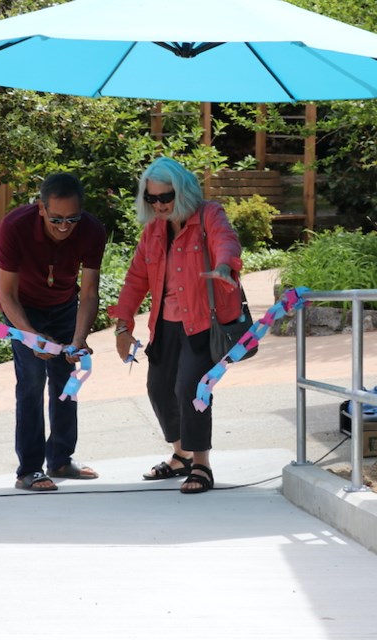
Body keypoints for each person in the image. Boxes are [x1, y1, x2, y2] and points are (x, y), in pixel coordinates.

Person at [109, 157, 244, 494]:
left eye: (165, 197)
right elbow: (136, 279)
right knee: (159, 387)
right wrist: (123, 326)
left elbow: (226, 241)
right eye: (151, 199)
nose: (159, 205)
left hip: (201, 323)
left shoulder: (208, 215)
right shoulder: (153, 231)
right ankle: (180, 454)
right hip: (165, 325)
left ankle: (201, 465)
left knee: (191, 389)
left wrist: (226, 266)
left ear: (181, 191)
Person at [0, 173, 106, 491]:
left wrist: (80, 339)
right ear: (40, 208)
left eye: (72, 219)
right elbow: (7, 295)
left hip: (64, 306)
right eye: (56, 218)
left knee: (66, 380)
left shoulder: (93, 231)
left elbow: (89, 293)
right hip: (23, 308)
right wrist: (31, 336)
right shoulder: (14, 226)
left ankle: (59, 459)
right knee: (31, 381)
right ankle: (29, 469)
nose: (64, 226)